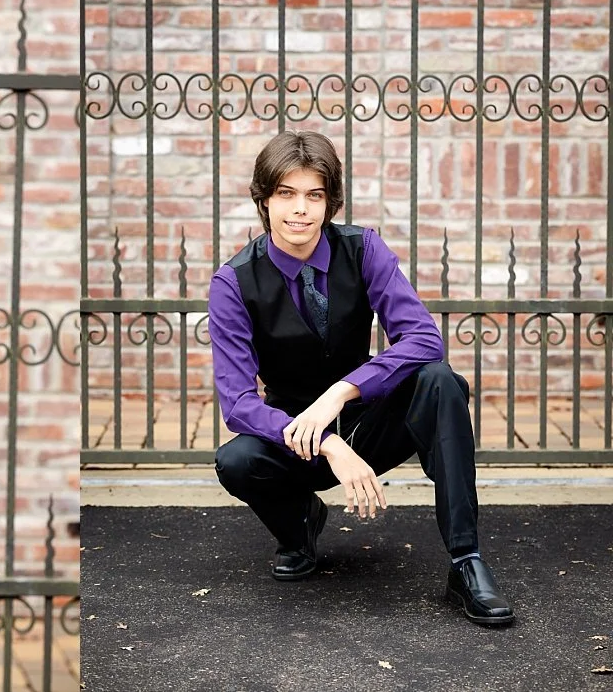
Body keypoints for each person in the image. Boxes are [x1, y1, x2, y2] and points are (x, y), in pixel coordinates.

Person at [209, 130, 512, 626]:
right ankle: (299, 527)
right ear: (263, 200)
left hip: (371, 423)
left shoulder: (362, 248)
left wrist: (341, 392)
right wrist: (327, 442)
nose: (300, 210)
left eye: (314, 195)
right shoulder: (233, 282)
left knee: (441, 381)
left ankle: (465, 561)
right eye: (286, 194)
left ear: (331, 201)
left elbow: (424, 339)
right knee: (236, 459)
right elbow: (238, 403)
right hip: (298, 440)